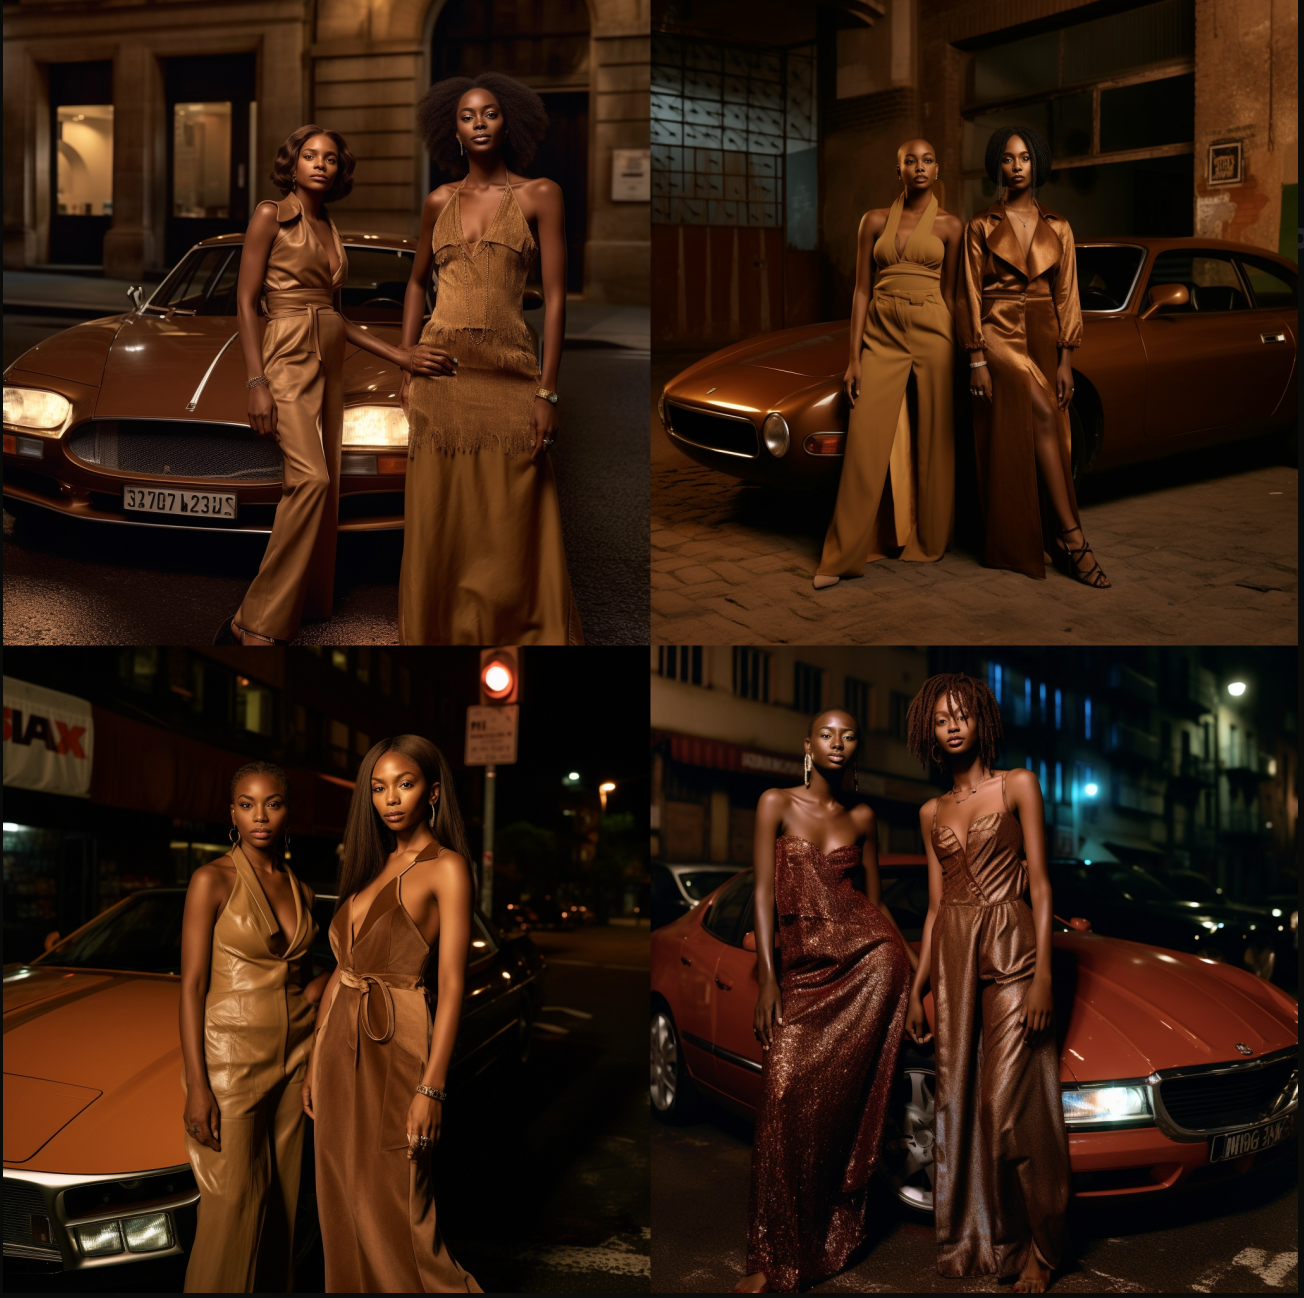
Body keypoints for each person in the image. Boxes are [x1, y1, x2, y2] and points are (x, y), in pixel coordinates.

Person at [216, 125, 441, 645]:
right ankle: (254, 620)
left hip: (330, 356)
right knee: (310, 479)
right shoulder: (271, 215)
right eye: (310, 155)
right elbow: (246, 303)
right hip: (287, 355)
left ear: (341, 170)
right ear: (292, 164)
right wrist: (257, 381)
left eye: (331, 158)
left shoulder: (329, 225)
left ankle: (301, 603)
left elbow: (338, 318)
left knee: (326, 485)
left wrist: (400, 355)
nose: (320, 164)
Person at [396, 74, 583, 645]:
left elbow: (554, 302)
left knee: (510, 518)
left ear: (510, 124)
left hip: (510, 378)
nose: (479, 123)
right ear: (451, 131)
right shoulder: (437, 202)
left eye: (490, 113)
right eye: (468, 116)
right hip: (441, 378)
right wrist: (406, 361)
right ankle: (441, 632)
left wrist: (547, 390)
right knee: (442, 519)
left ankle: (515, 630)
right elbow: (415, 283)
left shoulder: (539, 195)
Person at [735, 710, 916, 1293]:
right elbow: (763, 893)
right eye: (826, 734)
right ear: (808, 745)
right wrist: (768, 978)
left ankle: (821, 1236)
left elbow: (876, 906)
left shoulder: (863, 817)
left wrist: (915, 974)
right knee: (785, 1099)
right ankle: (773, 1255)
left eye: (849, 734)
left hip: (869, 964)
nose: (838, 743)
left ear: (857, 745)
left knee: (841, 1106)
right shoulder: (775, 803)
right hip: (803, 973)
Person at [903, 673, 1069, 1293]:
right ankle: (986, 1244)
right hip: (951, 959)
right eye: (940, 718)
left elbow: (1044, 885)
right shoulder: (930, 812)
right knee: (961, 1103)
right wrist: (919, 986)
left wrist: (1045, 974)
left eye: (962, 715)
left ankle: (1045, 1247)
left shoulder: (1019, 784)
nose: (951, 725)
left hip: (1012, 951)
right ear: (929, 730)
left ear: (983, 722)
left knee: (1005, 1108)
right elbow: (933, 906)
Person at [304, 736, 481, 1292]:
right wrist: (314, 1063)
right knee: (342, 1204)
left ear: (432, 792)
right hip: (337, 1048)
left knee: (402, 1213)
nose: (391, 799)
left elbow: (451, 984)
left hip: (398, 1042)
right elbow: (341, 972)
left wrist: (432, 1089)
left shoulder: (447, 868)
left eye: (404, 784)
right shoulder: (366, 865)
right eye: (378, 788)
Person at [179, 762, 323, 1292]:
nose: (260, 815)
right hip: (229, 1059)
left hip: (296, 1056)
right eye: (247, 803)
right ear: (232, 813)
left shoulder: (301, 889)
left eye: (273, 803)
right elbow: (192, 986)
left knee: (283, 1206)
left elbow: (299, 977)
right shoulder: (211, 879)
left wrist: (332, 981)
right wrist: (198, 1086)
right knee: (231, 1205)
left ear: (289, 812)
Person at [961, 127, 1109, 587]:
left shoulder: (1059, 226)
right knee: (1045, 416)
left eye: (1025, 157)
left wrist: (1066, 359)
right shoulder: (981, 226)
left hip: (1045, 334)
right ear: (997, 166)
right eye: (1008, 158)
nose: (1017, 165)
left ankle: (1056, 537)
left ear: (1038, 163)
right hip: (998, 331)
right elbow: (966, 293)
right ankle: (1072, 538)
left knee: (1051, 428)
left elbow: (1068, 298)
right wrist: (977, 358)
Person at [814, 139, 963, 589]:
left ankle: (930, 539)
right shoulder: (874, 221)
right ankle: (841, 558)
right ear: (897, 169)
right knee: (865, 439)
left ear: (938, 170)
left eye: (928, 159)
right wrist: (853, 357)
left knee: (937, 435)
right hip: (882, 330)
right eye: (910, 160)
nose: (920, 167)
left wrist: (963, 352)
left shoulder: (952, 226)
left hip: (934, 327)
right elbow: (861, 290)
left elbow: (953, 294)